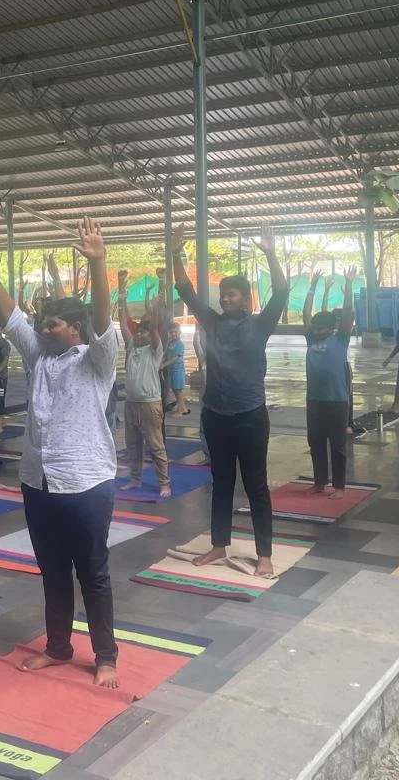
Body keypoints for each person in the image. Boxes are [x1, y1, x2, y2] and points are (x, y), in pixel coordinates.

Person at [0, 216, 119, 687]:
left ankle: (106, 656)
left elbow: (102, 317)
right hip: (39, 482)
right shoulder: (40, 355)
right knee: (52, 571)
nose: (43, 329)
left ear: (74, 328)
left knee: (92, 574)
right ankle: (58, 646)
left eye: (51, 323)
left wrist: (98, 264)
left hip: (86, 484)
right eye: (42, 324)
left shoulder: (97, 360)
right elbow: (10, 316)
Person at [171, 225, 287, 579]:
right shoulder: (213, 323)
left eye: (232, 294)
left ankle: (263, 554)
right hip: (217, 416)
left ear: (247, 299)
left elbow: (282, 290)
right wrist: (177, 254)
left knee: (256, 486)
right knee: (221, 483)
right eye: (223, 294)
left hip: (251, 416)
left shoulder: (259, 325)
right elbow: (186, 291)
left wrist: (269, 251)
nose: (225, 299)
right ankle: (219, 545)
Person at [305, 268, 357, 498]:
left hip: (337, 400)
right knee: (315, 442)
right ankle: (319, 482)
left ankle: (339, 486)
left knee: (337, 445)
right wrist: (312, 286)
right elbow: (306, 312)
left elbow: (348, 315)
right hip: (315, 400)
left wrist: (349, 287)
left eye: (318, 328)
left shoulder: (340, 339)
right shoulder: (311, 339)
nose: (314, 330)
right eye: (313, 328)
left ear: (330, 329)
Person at [117, 285, 170, 499]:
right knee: (133, 445)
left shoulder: (154, 351)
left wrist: (156, 309)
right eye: (138, 331)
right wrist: (122, 298)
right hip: (131, 403)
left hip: (150, 404)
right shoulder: (132, 348)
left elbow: (156, 328)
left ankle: (164, 483)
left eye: (144, 331)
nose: (140, 333)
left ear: (151, 336)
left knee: (155, 445)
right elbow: (122, 324)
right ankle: (135, 478)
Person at [161, 323, 189, 416]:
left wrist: (164, 364)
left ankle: (180, 410)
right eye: (171, 332)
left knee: (178, 390)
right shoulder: (170, 343)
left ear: (179, 332)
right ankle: (183, 408)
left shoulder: (180, 344)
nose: (173, 334)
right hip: (171, 370)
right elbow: (165, 354)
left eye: (175, 332)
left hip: (178, 371)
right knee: (174, 389)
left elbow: (175, 358)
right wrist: (161, 362)